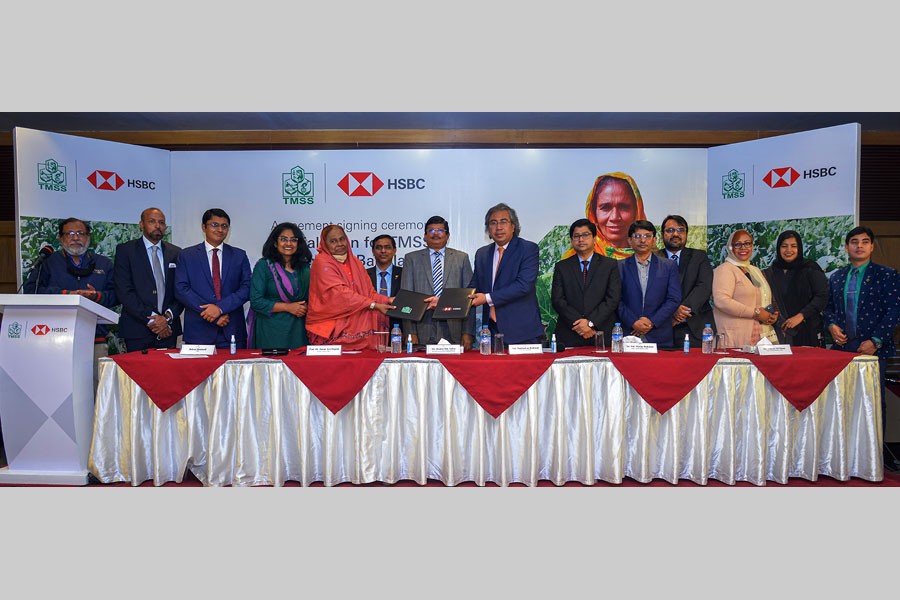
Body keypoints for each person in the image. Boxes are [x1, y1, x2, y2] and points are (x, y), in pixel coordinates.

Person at [823, 226, 900, 437]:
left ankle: (876, 457)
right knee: (845, 401)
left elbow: (894, 311)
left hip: (874, 350)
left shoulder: (886, 275)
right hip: (843, 349)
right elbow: (828, 309)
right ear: (847, 247)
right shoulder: (837, 277)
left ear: (872, 246)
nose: (859, 246)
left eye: (865, 242)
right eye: (854, 242)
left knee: (873, 402)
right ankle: (847, 453)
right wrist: (831, 326)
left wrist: (875, 341)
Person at [24, 217, 118, 382]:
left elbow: (117, 295)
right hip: (55, 339)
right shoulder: (48, 262)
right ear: (61, 238)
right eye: (70, 234)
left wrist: (96, 296)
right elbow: (32, 290)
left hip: (94, 339)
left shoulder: (104, 263)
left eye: (80, 233)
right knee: (58, 386)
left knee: (97, 390)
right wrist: (66, 295)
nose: (76, 238)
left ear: (88, 238)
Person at [306, 224, 394, 350]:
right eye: (333, 241)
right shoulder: (321, 262)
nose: (339, 244)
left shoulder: (355, 262)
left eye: (342, 239)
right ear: (325, 244)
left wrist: (387, 300)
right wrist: (375, 305)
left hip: (357, 334)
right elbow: (340, 294)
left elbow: (369, 293)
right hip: (331, 332)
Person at [174, 208, 252, 349]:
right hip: (199, 331)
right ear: (204, 227)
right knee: (198, 371)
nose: (220, 229)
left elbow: (246, 288)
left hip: (232, 330)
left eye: (224, 226)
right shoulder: (186, 255)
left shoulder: (239, 255)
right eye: (214, 225)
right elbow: (181, 289)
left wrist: (220, 308)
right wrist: (213, 313)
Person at [469, 203, 544, 344]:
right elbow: (474, 287)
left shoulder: (528, 249)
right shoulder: (482, 254)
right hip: (491, 332)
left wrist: (486, 298)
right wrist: (446, 302)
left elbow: (523, 286)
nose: (498, 227)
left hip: (522, 332)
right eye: (493, 223)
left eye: (503, 222)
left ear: (513, 226)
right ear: (488, 229)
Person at [113, 207, 183, 352]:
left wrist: (166, 319)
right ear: (141, 224)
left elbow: (182, 290)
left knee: (167, 374)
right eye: (152, 221)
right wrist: (153, 319)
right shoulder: (126, 251)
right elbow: (124, 291)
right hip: (137, 329)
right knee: (137, 374)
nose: (158, 226)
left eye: (162, 222)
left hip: (168, 330)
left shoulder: (176, 252)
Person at [399, 216, 475, 347]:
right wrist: (410, 332)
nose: (435, 234)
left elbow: (469, 298)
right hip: (422, 327)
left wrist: (467, 332)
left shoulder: (461, 258)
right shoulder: (411, 259)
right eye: (431, 230)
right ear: (424, 236)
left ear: (448, 235)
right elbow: (407, 299)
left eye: (440, 230)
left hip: (454, 327)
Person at [551, 218, 621, 348]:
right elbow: (558, 300)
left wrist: (590, 323)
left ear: (594, 239)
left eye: (585, 235)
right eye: (576, 236)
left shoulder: (609, 265)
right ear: (571, 241)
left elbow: (612, 299)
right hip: (569, 333)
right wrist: (579, 325)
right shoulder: (562, 267)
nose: (581, 239)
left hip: (600, 333)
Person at [616, 220, 681, 347]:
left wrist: (652, 321)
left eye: (647, 236)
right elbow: (615, 299)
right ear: (630, 241)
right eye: (637, 236)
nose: (643, 240)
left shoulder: (668, 266)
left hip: (659, 333)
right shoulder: (619, 266)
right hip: (629, 334)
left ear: (655, 240)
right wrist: (633, 322)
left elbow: (674, 299)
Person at [711, 229, 779, 348]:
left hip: (759, 335)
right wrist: (756, 313)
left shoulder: (754, 271)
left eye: (747, 243)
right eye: (738, 244)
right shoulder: (725, 270)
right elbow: (722, 301)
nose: (743, 247)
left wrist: (769, 316)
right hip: (734, 337)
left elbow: (762, 299)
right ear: (730, 247)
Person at [248, 223, 311, 349]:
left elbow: (313, 297)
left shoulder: (304, 268)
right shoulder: (264, 266)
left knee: (300, 366)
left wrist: (306, 306)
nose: (289, 243)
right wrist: (288, 307)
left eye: (293, 240)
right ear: (275, 243)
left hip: (299, 330)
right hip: (271, 331)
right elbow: (256, 301)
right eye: (283, 239)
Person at [762, 230, 829, 347]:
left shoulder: (810, 268)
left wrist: (801, 315)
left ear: (799, 248)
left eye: (793, 246)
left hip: (807, 330)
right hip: (779, 332)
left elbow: (822, 296)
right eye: (784, 246)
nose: (788, 250)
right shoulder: (772, 272)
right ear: (778, 248)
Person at [657, 215, 715, 347]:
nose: (676, 234)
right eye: (670, 230)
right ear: (662, 235)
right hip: (662, 326)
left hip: (694, 326)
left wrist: (681, 312)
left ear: (687, 234)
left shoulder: (699, 256)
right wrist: (671, 310)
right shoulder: (654, 258)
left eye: (680, 230)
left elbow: (704, 286)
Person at [563, 172, 648, 260]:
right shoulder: (574, 257)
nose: (614, 217)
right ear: (593, 214)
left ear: (637, 211)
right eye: (606, 207)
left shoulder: (652, 256)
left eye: (623, 207)